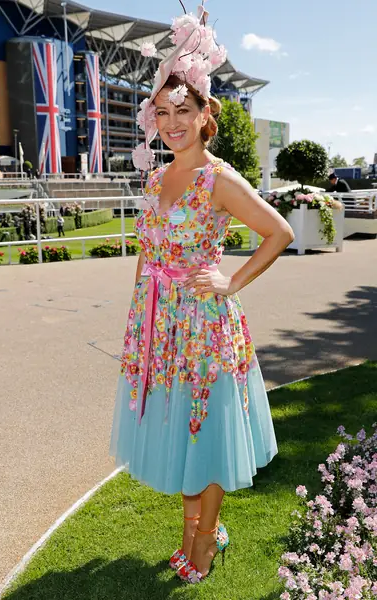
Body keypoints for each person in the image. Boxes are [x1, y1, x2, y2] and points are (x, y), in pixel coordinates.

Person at [109, 3, 294, 585]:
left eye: (182, 111)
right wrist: (139, 313)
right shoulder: (154, 176)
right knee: (175, 427)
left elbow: (279, 232)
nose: (171, 123)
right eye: (162, 112)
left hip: (206, 324)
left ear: (204, 114)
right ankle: (196, 529)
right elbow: (147, 251)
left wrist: (230, 280)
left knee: (205, 430)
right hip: (158, 325)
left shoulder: (220, 179)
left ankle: (203, 542)